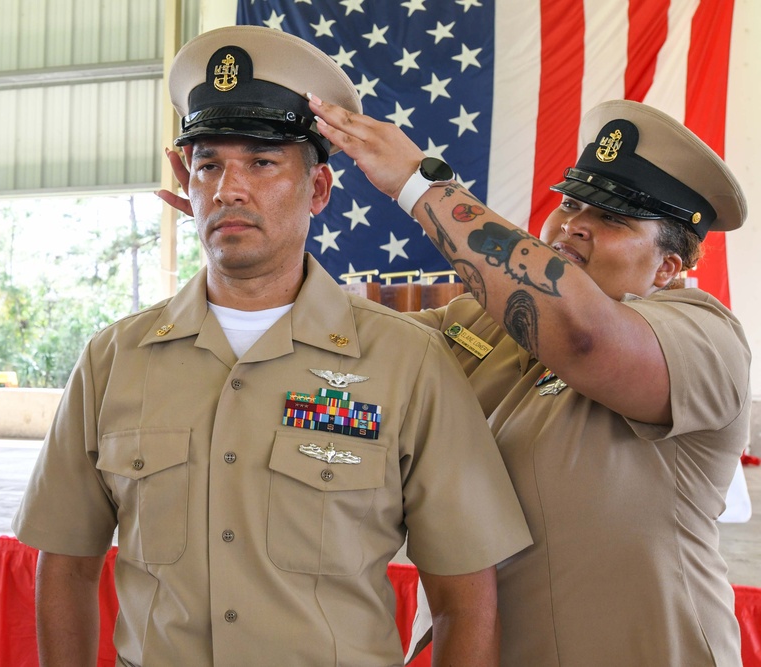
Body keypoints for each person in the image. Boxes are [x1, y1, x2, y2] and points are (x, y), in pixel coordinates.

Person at [13, 26, 532, 667]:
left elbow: (467, 600)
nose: (229, 188)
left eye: (261, 162)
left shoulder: (408, 365)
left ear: (317, 190)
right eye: (208, 164)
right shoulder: (112, 360)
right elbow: (65, 566)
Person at [301, 97, 750, 665]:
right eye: (569, 204)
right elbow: (343, 353)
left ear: (667, 267)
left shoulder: (706, 336)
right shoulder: (485, 321)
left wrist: (421, 185)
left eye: (611, 218)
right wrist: (255, 238)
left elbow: (584, 336)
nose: (573, 227)